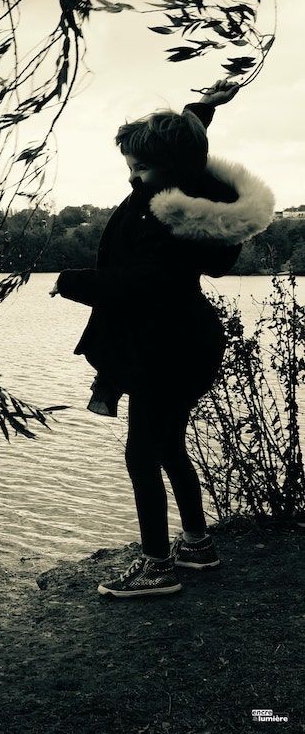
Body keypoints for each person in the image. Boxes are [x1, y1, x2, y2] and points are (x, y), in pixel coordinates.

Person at [50, 80, 275, 598]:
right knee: (168, 444)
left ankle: (157, 567)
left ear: (172, 170)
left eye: (141, 167)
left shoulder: (165, 214)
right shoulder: (175, 192)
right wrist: (204, 108)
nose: (132, 174)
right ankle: (196, 545)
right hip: (182, 341)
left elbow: (148, 283)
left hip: (165, 348)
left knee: (142, 454)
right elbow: (183, 148)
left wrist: (74, 280)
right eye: (130, 164)